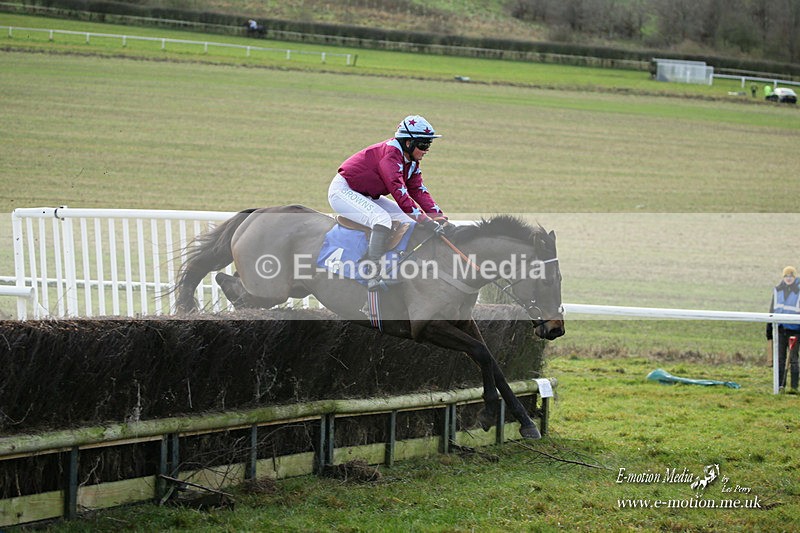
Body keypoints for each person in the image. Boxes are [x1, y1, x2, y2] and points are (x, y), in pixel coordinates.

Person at [328, 115, 452, 290]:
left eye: (429, 145)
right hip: (343, 191)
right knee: (382, 219)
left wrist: (439, 218)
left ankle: (395, 267)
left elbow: (418, 190)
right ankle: (371, 274)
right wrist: (426, 220)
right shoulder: (390, 156)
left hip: (367, 195)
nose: (427, 150)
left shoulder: (412, 162)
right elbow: (400, 195)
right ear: (408, 143)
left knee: (409, 222)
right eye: (424, 144)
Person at [766, 266, 800, 392]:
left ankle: (794, 387)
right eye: (786, 276)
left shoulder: (799, 291)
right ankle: (780, 385)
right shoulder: (778, 290)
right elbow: (772, 310)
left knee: (794, 359)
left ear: (794, 277)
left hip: (795, 330)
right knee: (780, 359)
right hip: (780, 329)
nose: (788, 279)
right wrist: (769, 329)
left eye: (791, 276)